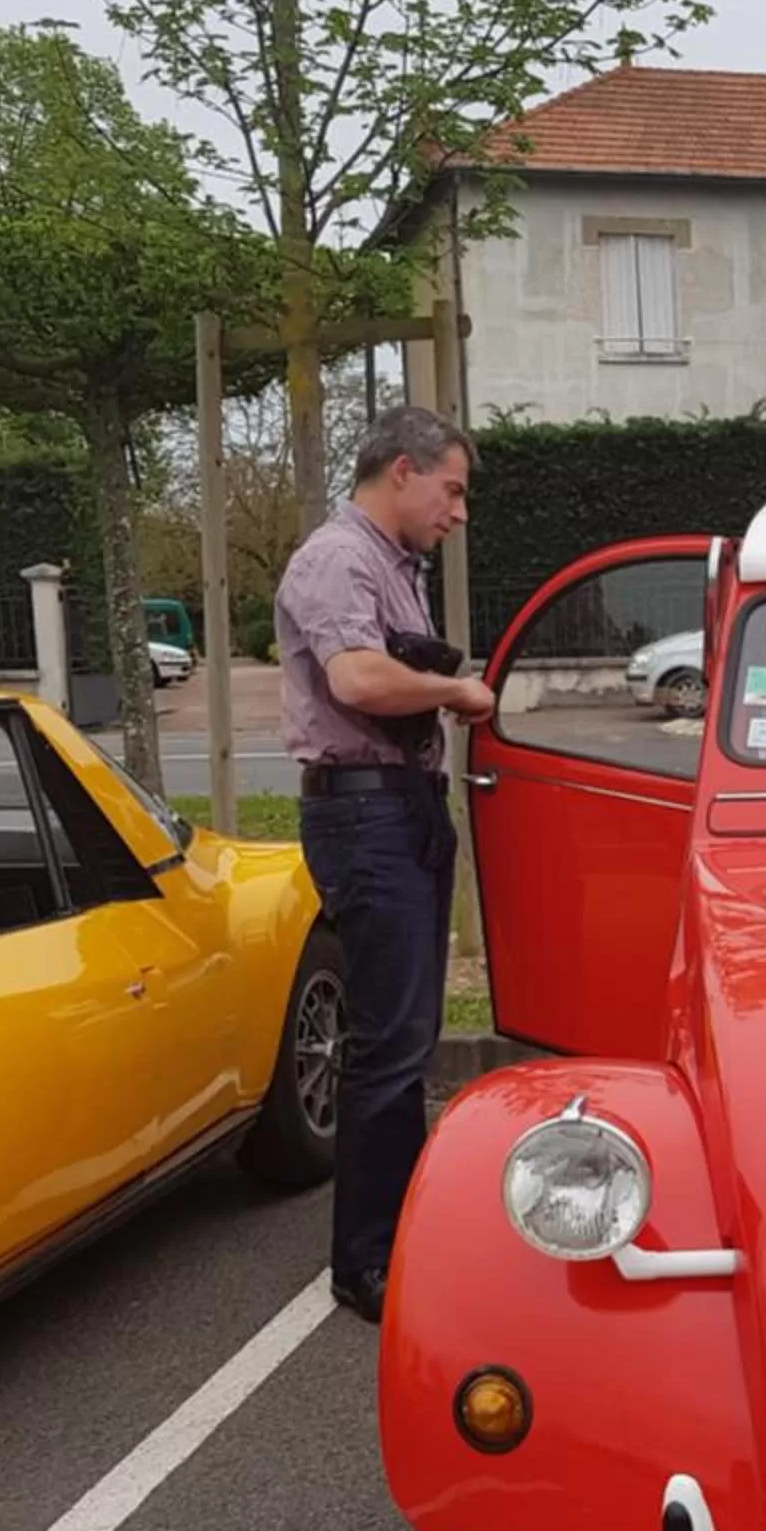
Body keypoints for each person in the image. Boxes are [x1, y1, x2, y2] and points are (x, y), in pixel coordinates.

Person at [274, 408, 495, 1323]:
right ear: (402, 471)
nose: (459, 512)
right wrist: (454, 689)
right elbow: (359, 680)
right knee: (387, 1047)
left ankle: (402, 1236)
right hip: (365, 813)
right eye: (452, 489)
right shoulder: (340, 558)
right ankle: (367, 1264)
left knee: (401, 1040)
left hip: (396, 807)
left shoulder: (389, 565)